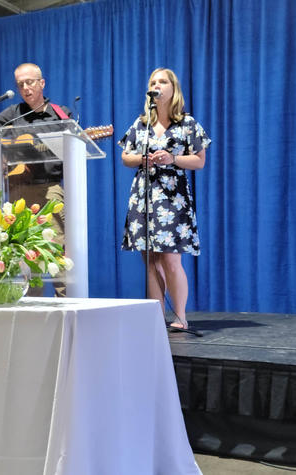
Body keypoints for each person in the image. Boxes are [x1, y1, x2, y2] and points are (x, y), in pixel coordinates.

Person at [118, 68, 210, 330]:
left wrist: (172, 159)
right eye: (153, 82)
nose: (156, 85)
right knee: (149, 258)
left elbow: (200, 161)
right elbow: (126, 157)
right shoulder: (141, 123)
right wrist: (143, 159)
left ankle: (180, 316)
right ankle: (155, 318)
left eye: (162, 81)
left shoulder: (187, 123)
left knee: (169, 258)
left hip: (173, 197)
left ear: (173, 88)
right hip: (144, 195)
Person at [0, 63, 70, 296]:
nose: (25, 88)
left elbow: (73, 146)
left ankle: (66, 306)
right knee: (24, 251)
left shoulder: (62, 114)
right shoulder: (13, 113)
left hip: (49, 190)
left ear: (42, 83)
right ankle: (31, 307)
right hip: (18, 190)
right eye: (21, 84)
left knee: (57, 249)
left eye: (30, 82)